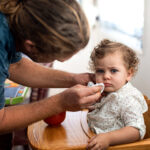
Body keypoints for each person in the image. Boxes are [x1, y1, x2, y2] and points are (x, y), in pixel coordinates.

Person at [0, 0, 102, 137]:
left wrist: (74, 79)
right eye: (56, 57)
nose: (60, 60)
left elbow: (15, 66)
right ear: (30, 46)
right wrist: (61, 103)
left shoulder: (13, 26)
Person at [86, 39, 148, 150]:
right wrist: (92, 106)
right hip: (90, 136)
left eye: (113, 71)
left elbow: (136, 130)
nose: (106, 76)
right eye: (100, 71)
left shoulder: (128, 98)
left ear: (129, 74)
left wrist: (108, 138)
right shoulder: (105, 90)